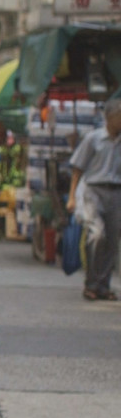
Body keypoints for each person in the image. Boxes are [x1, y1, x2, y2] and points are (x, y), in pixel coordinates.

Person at [65, 99, 121, 301]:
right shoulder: (94, 138)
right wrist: (72, 197)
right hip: (94, 191)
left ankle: (103, 285)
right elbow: (77, 168)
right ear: (110, 118)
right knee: (97, 235)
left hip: (116, 193)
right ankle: (91, 282)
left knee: (113, 240)